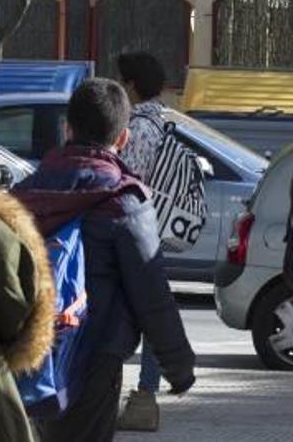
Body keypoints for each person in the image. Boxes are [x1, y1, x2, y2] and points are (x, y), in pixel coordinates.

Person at [14, 79, 196, 442]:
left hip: (28, 349)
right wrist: (178, 365)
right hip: (96, 355)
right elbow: (152, 291)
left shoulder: (25, 194)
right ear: (123, 138)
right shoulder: (124, 200)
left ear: (67, 128)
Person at [115, 51, 171, 432]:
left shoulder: (137, 127)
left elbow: (125, 180)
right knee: (151, 312)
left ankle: (132, 394)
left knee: (115, 311)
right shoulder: (166, 122)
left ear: (131, 85)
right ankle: (146, 393)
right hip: (157, 230)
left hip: (131, 229)